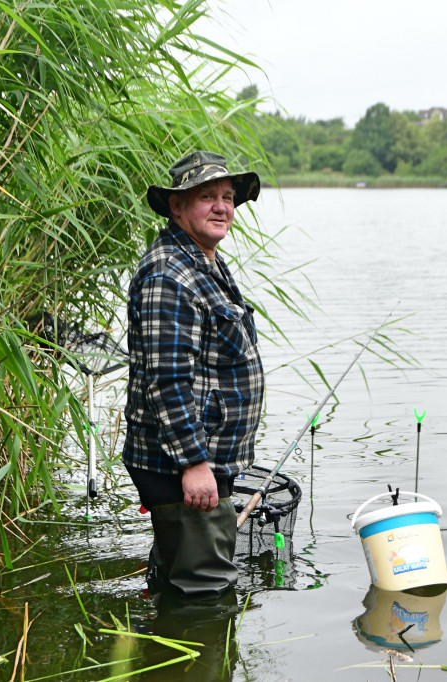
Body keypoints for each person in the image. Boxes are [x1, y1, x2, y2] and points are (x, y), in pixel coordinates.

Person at [122, 150, 263, 598]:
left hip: (197, 457)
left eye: (228, 196)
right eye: (207, 196)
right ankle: (197, 663)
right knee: (205, 595)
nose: (223, 206)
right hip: (182, 460)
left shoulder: (203, 260)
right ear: (177, 206)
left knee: (179, 579)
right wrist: (194, 463)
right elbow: (167, 381)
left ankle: (158, 655)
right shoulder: (171, 274)